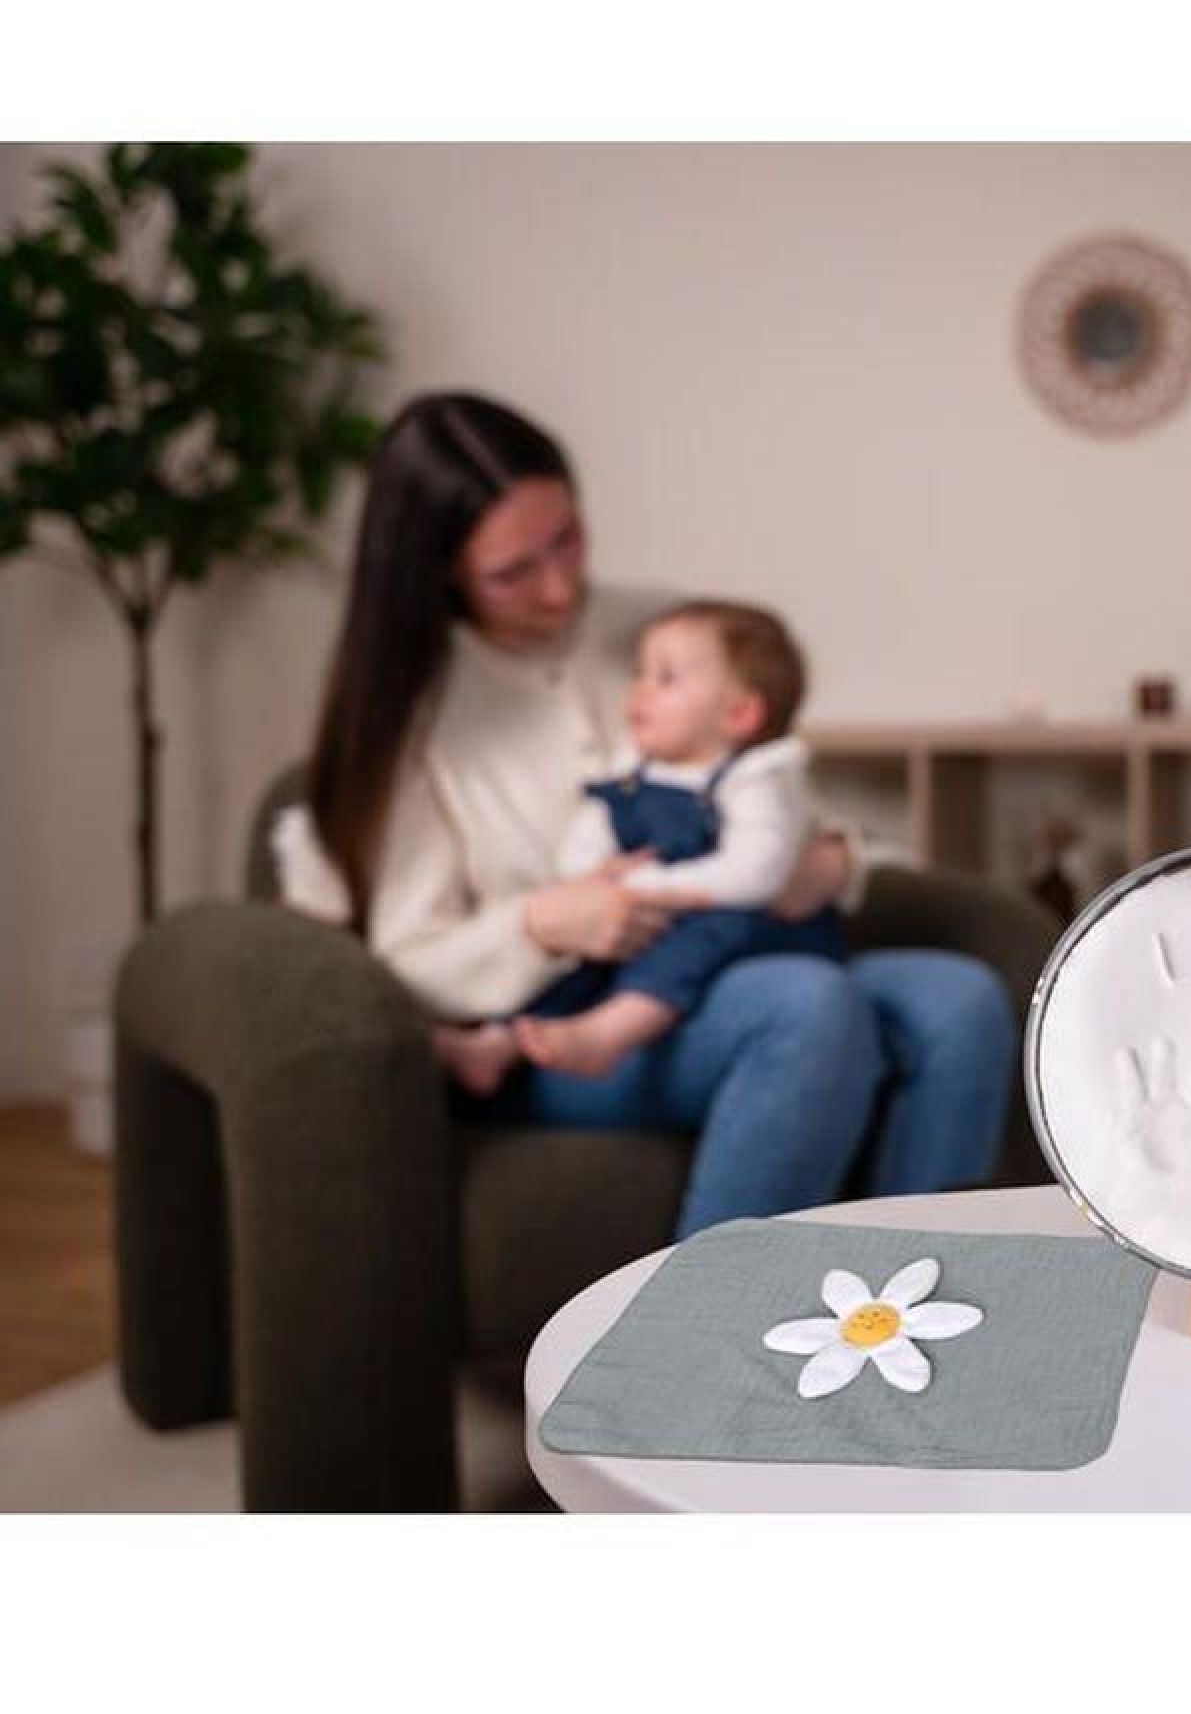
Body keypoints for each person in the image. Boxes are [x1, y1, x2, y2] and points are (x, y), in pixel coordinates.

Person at [274, 391, 1014, 1237]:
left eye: (568, 539)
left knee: (959, 1003)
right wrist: (540, 924)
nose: (559, 587)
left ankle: (919, 1300)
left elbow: (782, 800)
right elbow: (405, 964)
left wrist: (828, 866)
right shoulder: (410, 720)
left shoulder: (664, 631)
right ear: (439, 572)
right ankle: (704, 1321)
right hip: (565, 1022)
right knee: (806, 1007)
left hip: (736, 961)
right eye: (514, 572)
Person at [435, 598, 847, 1089]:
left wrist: (652, 885)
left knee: (708, 931)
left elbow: (756, 873)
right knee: (579, 960)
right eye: (640, 673)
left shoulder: (755, 778)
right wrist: (592, 881)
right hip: (649, 916)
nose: (640, 691)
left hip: (743, 929)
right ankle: (497, 1044)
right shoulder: (633, 772)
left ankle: (608, 1035)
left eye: (665, 678)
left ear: (739, 714)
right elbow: (585, 843)